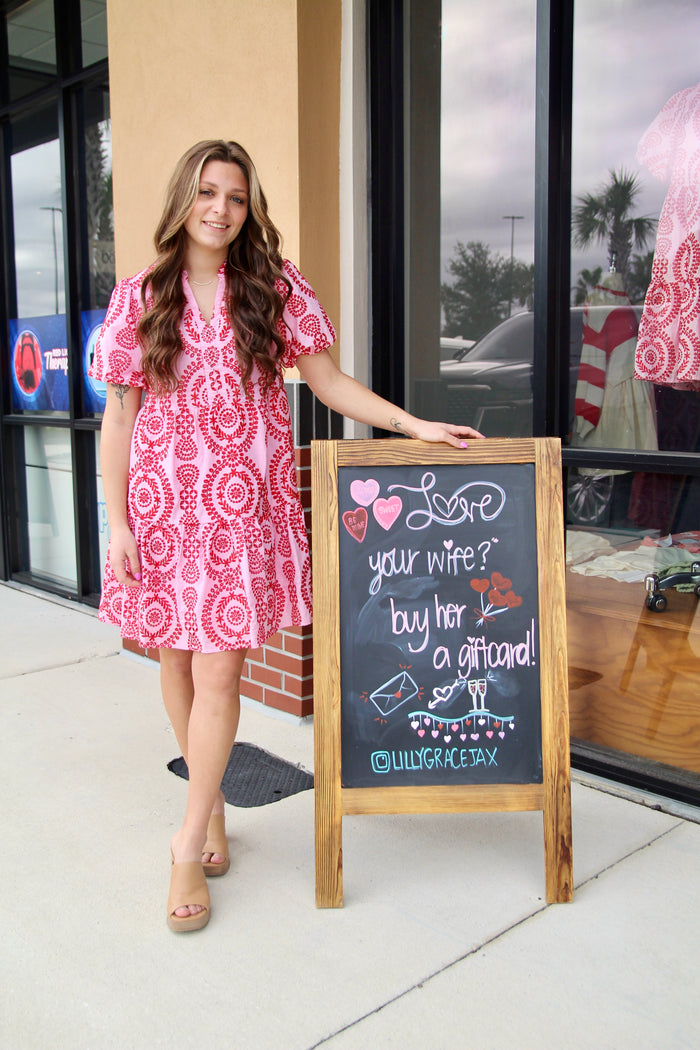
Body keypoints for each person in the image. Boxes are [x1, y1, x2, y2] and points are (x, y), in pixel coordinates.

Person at [90, 139, 483, 933]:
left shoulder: (272, 288)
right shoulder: (139, 296)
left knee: (222, 676)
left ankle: (187, 839)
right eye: (207, 192)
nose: (220, 209)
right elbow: (120, 419)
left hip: (240, 517)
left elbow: (331, 383)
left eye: (235, 197)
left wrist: (411, 427)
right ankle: (212, 805)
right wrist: (118, 521)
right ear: (183, 198)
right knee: (176, 664)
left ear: (248, 208)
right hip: (165, 513)